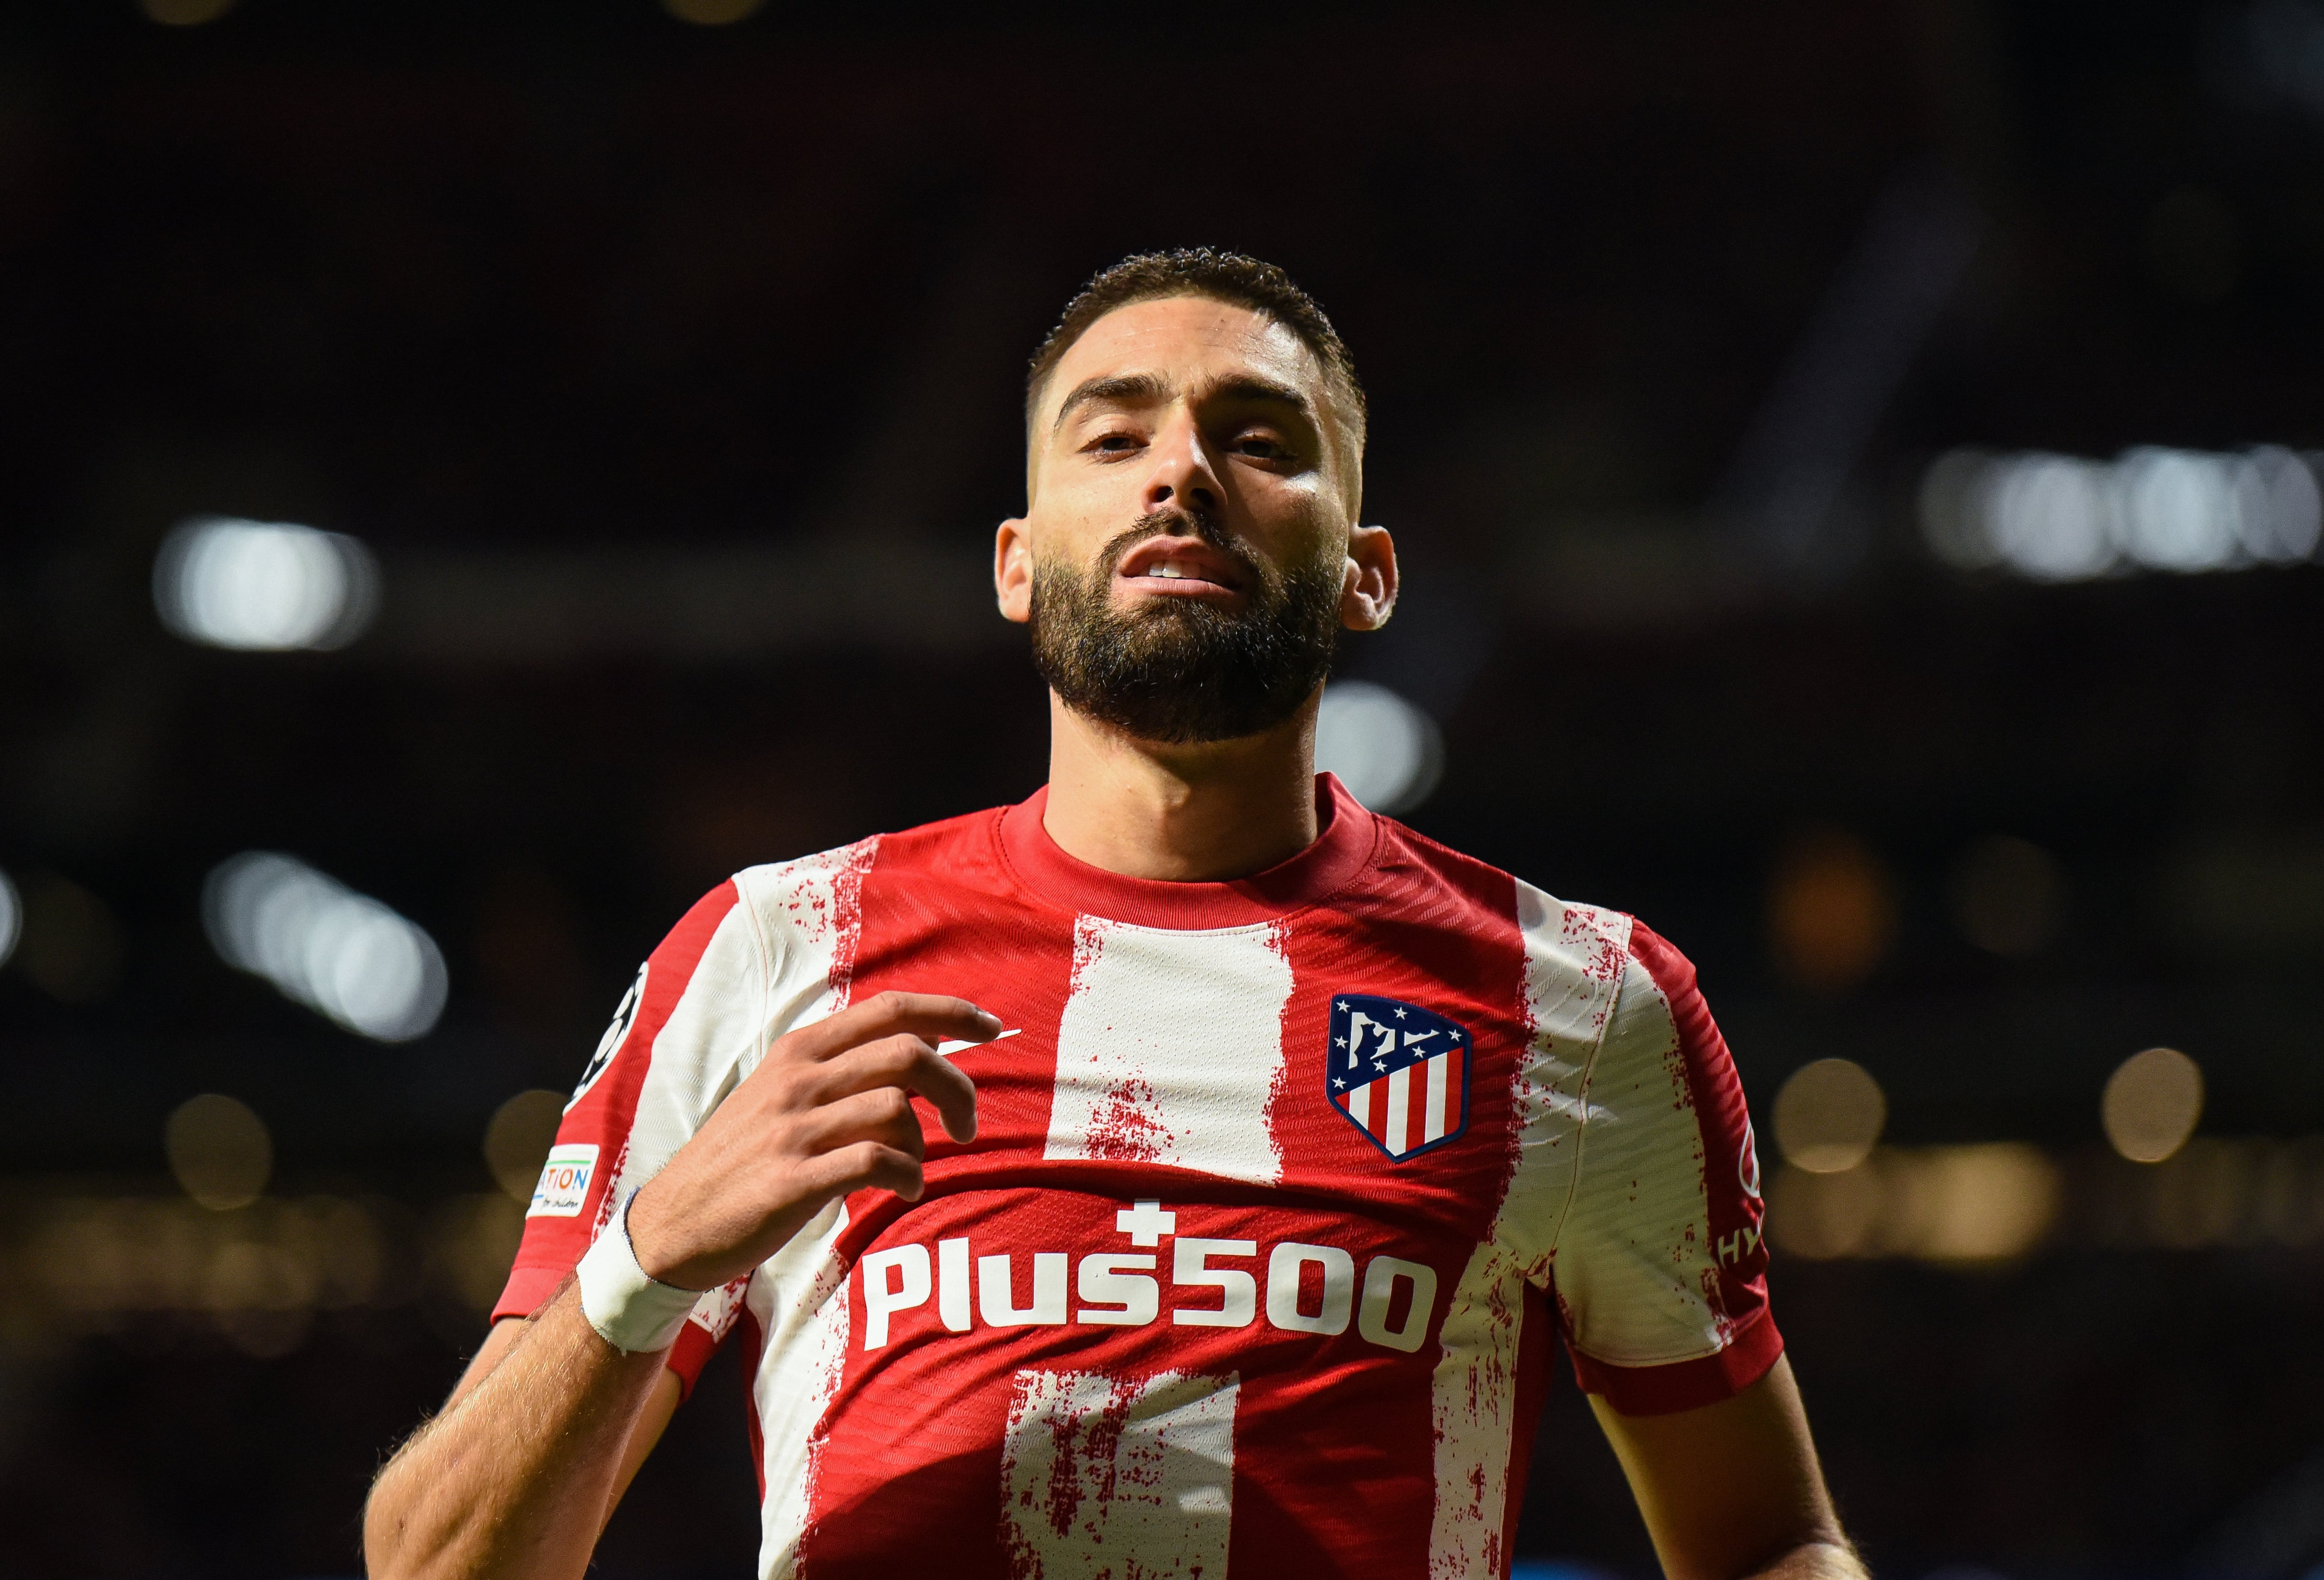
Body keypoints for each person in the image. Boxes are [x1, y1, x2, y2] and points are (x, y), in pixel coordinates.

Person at [364, 249, 1861, 1580]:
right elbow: (433, 1563)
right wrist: (660, 1241)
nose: (1182, 472)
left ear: (1367, 573)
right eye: (1116, 433)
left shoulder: (1582, 1003)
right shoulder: (772, 949)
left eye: (1257, 438)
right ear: (1018, 564)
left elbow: (1768, 1543)